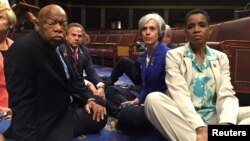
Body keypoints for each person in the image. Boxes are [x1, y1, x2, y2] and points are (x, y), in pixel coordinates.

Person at [4, 4, 107, 141]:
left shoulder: (62, 46)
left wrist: (89, 99)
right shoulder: (23, 49)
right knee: (100, 117)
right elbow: (21, 101)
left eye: (63, 24)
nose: (59, 29)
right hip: (45, 120)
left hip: (63, 104)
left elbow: (75, 77)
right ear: (38, 25)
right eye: (52, 24)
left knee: (100, 107)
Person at [144, 9, 250, 141]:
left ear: (209, 31)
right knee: (153, 100)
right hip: (186, 118)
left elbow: (226, 94)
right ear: (186, 33)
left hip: (215, 116)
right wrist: (199, 127)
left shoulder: (221, 58)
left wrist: (225, 126)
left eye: (202, 25)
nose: (196, 30)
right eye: (191, 26)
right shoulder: (174, 55)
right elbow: (179, 95)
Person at [105, 13, 170, 134]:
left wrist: (146, 104)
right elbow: (146, 87)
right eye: (144, 29)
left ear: (160, 32)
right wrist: (136, 101)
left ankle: (129, 118)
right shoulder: (146, 55)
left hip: (158, 104)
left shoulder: (168, 55)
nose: (147, 32)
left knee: (129, 114)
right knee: (111, 91)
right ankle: (129, 118)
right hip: (144, 98)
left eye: (152, 28)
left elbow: (171, 91)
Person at [106, 24, 177, 88]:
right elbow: (139, 58)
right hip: (140, 74)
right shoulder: (155, 45)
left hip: (154, 84)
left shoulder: (173, 51)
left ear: (166, 37)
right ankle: (108, 84)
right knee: (124, 61)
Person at [59, 23, 105, 100]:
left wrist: (100, 86)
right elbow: (71, 75)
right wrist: (88, 84)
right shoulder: (62, 49)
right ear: (66, 37)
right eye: (73, 35)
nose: (77, 38)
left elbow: (91, 71)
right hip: (69, 82)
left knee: (105, 81)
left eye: (79, 36)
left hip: (81, 79)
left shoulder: (85, 50)